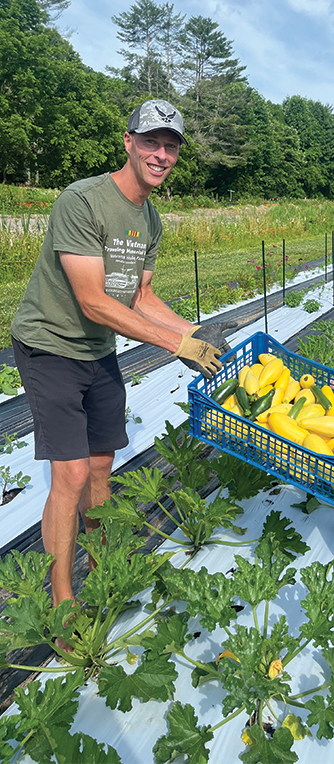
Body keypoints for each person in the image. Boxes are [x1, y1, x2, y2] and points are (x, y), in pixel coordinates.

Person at [11, 99, 227, 614]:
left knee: (103, 464)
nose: (160, 154)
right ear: (128, 142)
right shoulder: (82, 200)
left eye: (170, 146)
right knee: (71, 475)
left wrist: (197, 332)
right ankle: (62, 600)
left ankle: (100, 557)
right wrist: (176, 344)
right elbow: (92, 300)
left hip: (97, 349)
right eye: (151, 142)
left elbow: (140, 297)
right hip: (51, 345)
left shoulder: (150, 220)